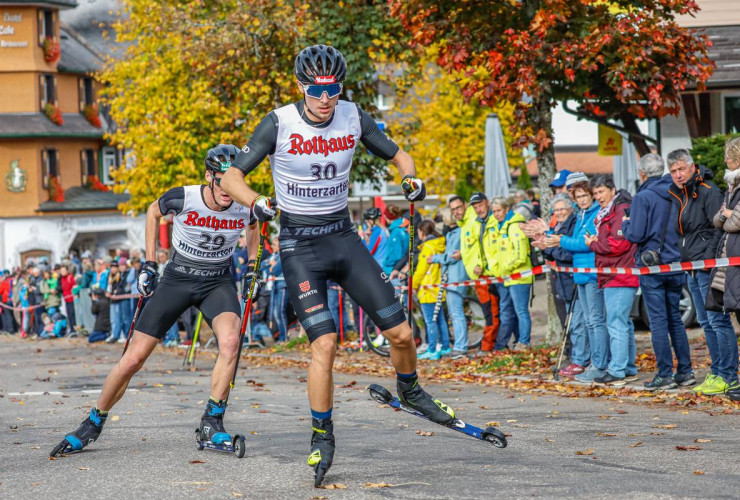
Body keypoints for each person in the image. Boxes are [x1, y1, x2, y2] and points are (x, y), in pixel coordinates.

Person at [220, 44, 456, 484]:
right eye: (315, 90)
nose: (325, 98)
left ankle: (410, 389)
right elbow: (234, 175)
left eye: (333, 89)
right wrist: (256, 202)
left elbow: (399, 155)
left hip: (342, 238)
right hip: (298, 246)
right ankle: (321, 433)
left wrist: (411, 177)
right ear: (300, 87)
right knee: (325, 344)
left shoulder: (353, 116)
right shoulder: (279, 122)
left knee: (402, 333)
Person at [51, 144, 260, 457]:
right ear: (208, 177)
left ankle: (212, 422)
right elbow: (152, 211)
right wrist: (149, 263)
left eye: (233, 180)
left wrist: (252, 267)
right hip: (178, 279)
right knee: (134, 359)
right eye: (221, 180)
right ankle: (94, 421)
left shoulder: (246, 203)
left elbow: (255, 225)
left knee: (231, 342)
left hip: (217, 281)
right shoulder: (185, 197)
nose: (228, 189)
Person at [667, 148, 738, 397]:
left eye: (681, 169)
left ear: (692, 166)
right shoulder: (678, 194)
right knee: (706, 323)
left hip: (706, 266)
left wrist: (706, 260)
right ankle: (717, 371)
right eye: (673, 171)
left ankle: (729, 375)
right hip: (691, 267)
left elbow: (717, 228)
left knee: (718, 321)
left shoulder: (707, 191)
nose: (677, 174)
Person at [623, 154, 694, 390]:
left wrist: (625, 224)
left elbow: (635, 234)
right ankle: (685, 371)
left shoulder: (643, 197)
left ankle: (665, 374)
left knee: (658, 322)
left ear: (642, 173)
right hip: (676, 262)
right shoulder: (677, 191)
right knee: (675, 319)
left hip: (652, 264)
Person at [585, 175, 639, 386]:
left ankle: (617, 371)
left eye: (601, 192)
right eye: (595, 193)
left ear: (612, 189)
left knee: (616, 323)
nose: (598, 197)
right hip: (614, 274)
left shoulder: (619, 210)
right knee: (623, 323)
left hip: (620, 274)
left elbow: (618, 244)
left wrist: (594, 244)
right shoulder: (610, 211)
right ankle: (628, 367)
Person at [556, 176, 609, 383]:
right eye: (578, 197)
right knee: (588, 321)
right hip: (580, 273)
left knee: (596, 321)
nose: (582, 200)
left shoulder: (594, 214)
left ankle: (600, 364)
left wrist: (561, 240)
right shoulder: (581, 214)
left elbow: (585, 243)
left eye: (585, 195)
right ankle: (592, 362)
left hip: (592, 272)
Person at [537, 194, 588, 377]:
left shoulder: (572, 225)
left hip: (573, 279)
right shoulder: (556, 227)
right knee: (571, 323)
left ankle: (580, 358)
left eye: (562, 209)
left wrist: (550, 248)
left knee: (578, 323)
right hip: (562, 282)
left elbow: (568, 254)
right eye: (556, 210)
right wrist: (546, 249)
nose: (559, 213)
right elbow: (552, 255)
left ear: (570, 209)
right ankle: (576, 357)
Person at [709, 137, 740, 400]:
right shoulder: (732, 186)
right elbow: (719, 219)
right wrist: (726, 214)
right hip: (731, 266)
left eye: (728, 157)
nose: (724, 162)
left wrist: (728, 215)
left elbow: (735, 221)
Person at [488, 197, 533, 350]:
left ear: (506, 209)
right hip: (509, 276)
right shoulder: (502, 226)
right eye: (493, 211)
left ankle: (524, 342)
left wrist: (506, 268)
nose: (496, 214)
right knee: (512, 311)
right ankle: (519, 341)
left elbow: (520, 255)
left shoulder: (514, 226)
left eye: (499, 210)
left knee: (521, 310)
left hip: (519, 276)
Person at [460, 192, 500, 355]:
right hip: (481, 276)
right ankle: (489, 344)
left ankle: (489, 344)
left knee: (495, 312)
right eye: (475, 207)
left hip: (493, 274)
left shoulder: (494, 220)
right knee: (489, 312)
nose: (478, 209)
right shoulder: (475, 223)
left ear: (487, 203)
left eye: (480, 205)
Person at [431, 196, 470, 359]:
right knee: (455, 312)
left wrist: (435, 258)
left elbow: (450, 256)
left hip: (456, 276)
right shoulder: (454, 232)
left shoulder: (458, 232)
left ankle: (461, 346)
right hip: (452, 277)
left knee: (456, 312)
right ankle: (460, 345)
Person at [413, 219, 451, 360]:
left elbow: (421, 270)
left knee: (430, 321)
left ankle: (433, 348)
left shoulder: (427, 248)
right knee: (440, 319)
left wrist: (414, 285)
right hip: (438, 289)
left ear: (422, 232)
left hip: (428, 290)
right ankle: (445, 346)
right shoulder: (439, 245)